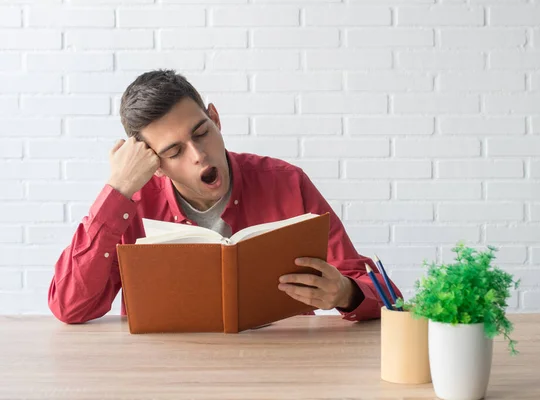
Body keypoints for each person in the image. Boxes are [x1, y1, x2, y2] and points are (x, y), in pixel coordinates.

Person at [48, 69, 401, 324]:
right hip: (164, 371)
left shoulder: (287, 182)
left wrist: (345, 293)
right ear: (154, 164)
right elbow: (71, 307)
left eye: (201, 132)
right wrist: (118, 190)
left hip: (280, 364)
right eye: (173, 152)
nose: (198, 155)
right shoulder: (131, 206)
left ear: (215, 118)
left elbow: (385, 294)